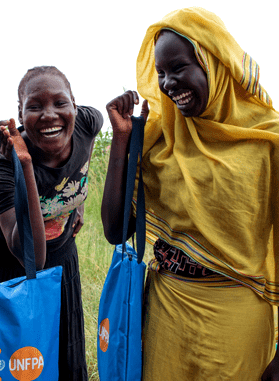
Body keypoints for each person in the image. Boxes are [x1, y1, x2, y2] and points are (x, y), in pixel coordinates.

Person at [102, 7, 279, 381]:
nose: (168, 84)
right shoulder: (160, 137)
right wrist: (121, 142)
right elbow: (115, 231)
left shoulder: (267, 142)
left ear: (213, 62)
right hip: (167, 308)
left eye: (178, 68)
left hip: (237, 319)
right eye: (161, 73)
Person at [0, 66, 103, 380]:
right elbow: (30, 254)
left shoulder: (87, 122)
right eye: (34, 107)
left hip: (62, 260)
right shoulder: (2, 159)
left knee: (63, 354)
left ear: (74, 105)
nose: (49, 115)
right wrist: (25, 165)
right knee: (15, 363)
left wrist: (79, 193)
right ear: (20, 115)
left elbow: (84, 152)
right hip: (11, 268)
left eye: (60, 103)